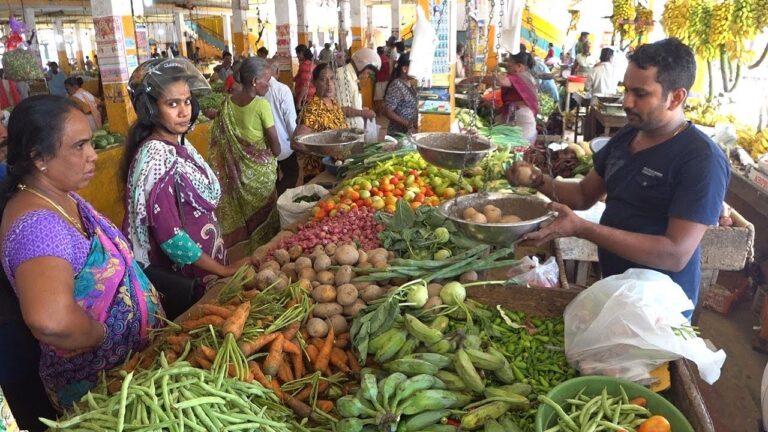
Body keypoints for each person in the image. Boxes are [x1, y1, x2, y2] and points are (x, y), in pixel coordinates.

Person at [507, 38, 730, 319]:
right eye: (626, 90)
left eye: (640, 93)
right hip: (616, 287)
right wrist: (537, 180)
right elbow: (584, 195)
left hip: (658, 311)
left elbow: (675, 254)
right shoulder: (628, 135)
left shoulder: (701, 160)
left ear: (676, 97)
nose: (627, 102)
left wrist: (582, 229)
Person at [0, 95, 164, 414]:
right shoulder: (37, 227)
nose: (93, 156)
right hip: (102, 393)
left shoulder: (59, 196)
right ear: (39, 158)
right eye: (79, 146)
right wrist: (104, 334)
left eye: (91, 143)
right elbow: (50, 320)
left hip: (131, 374)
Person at [122, 58, 247, 298]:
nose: (184, 111)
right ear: (150, 108)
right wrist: (221, 270)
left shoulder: (178, 143)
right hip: (189, 276)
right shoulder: (154, 158)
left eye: (188, 101)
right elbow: (171, 237)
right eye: (172, 104)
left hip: (207, 267)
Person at [209, 58, 282, 252]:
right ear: (254, 81)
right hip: (261, 176)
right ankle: (268, 251)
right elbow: (276, 146)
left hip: (239, 174)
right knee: (266, 215)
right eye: (267, 79)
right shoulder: (261, 105)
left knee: (249, 216)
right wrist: (272, 154)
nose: (270, 83)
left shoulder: (227, 105)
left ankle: (252, 250)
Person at [294, 63, 372, 182]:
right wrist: (326, 151)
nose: (329, 84)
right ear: (314, 83)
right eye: (322, 80)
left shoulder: (333, 103)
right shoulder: (313, 109)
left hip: (337, 167)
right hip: (319, 172)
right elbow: (296, 143)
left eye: (331, 78)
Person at [265, 60, 298, 194]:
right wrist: (295, 141)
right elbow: (290, 121)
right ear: (277, 71)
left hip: (265, 147)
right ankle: (279, 200)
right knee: (292, 174)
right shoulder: (282, 89)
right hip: (285, 144)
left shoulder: (256, 90)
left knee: (273, 179)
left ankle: (275, 200)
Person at [334, 47, 379, 129]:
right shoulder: (344, 77)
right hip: (345, 133)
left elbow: (349, 104)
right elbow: (340, 110)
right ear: (361, 64)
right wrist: (362, 113)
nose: (367, 76)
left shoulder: (352, 77)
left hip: (353, 132)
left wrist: (360, 109)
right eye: (368, 73)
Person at [383, 53, 418, 136]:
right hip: (398, 134)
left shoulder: (410, 83)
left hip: (407, 133)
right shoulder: (396, 85)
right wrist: (408, 124)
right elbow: (388, 112)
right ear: (404, 69)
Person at [374, 47, 391, 114]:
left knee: (378, 97)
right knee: (384, 96)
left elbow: (376, 69)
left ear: (377, 52)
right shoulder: (386, 59)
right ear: (383, 52)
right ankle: (383, 111)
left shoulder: (378, 59)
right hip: (386, 79)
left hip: (380, 79)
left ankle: (379, 112)